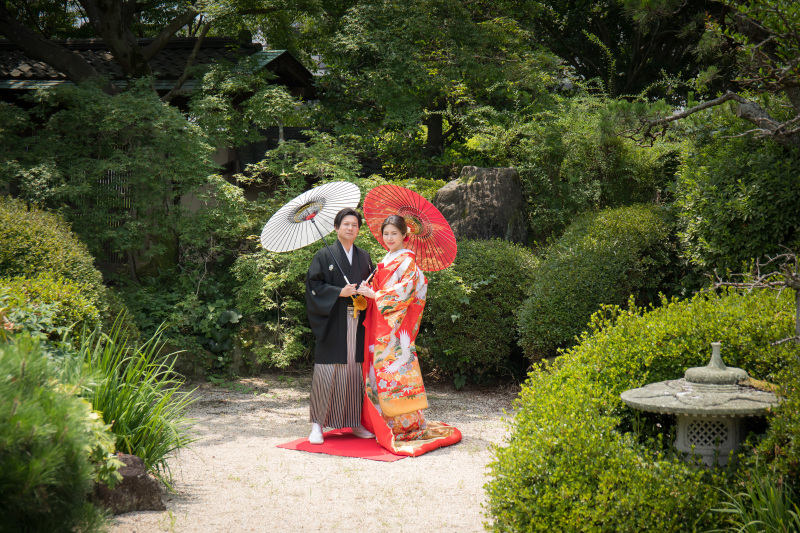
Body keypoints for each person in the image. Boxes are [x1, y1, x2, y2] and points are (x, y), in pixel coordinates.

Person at [357, 215, 459, 454]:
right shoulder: (388, 257)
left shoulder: (407, 261)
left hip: (394, 327)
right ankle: (384, 423)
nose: (389, 238)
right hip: (380, 323)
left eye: (394, 233)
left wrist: (375, 296)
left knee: (396, 375)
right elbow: (382, 287)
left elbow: (407, 291)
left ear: (405, 235)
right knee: (379, 374)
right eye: (386, 233)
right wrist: (368, 289)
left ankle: (406, 425)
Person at [305, 207, 375, 444]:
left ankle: (354, 422)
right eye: (346, 224)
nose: (350, 228)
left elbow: (374, 284)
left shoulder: (364, 257)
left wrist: (367, 291)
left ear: (358, 229)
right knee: (328, 370)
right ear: (336, 228)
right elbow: (314, 286)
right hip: (333, 320)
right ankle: (318, 425)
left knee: (355, 370)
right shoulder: (324, 255)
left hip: (357, 320)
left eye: (354, 225)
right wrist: (337, 291)